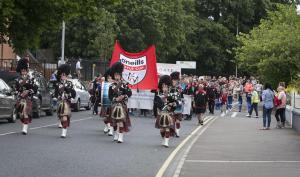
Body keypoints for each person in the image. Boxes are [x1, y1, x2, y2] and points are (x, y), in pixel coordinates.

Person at [108, 62, 132, 143]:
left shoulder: (124, 84)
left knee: (120, 120)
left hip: (122, 105)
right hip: (114, 105)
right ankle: (116, 133)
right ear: (113, 76)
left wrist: (124, 96)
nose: (117, 76)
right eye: (115, 75)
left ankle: (121, 136)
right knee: (115, 122)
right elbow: (110, 96)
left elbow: (129, 93)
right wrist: (115, 99)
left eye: (118, 75)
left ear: (120, 75)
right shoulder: (111, 86)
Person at [15, 58, 38, 135]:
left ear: (27, 71)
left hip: (28, 98)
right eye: (22, 71)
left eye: (25, 71)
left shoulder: (31, 79)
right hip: (21, 98)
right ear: (20, 71)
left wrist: (28, 91)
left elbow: (35, 88)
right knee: (21, 114)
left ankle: (25, 128)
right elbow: (16, 89)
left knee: (25, 112)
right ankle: (24, 123)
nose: (23, 72)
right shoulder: (18, 80)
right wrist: (19, 93)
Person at [54, 64, 76, 138]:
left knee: (64, 117)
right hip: (60, 102)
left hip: (66, 102)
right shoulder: (57, 84)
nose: (63, 76)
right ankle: (62, 124)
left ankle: (64, 132)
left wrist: (70, 95)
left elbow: (73, 93)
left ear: (66, 75)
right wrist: (55, 97)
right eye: (62, 75)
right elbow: (56, 93)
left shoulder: (70, 83)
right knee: (61, 117)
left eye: (64, 75)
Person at [155, 75, 176, 147]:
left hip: (169, 113)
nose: (164, 88)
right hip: (161, 113)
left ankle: (166, 142)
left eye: (166, 86)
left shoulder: (172, 93)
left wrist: (171, 105)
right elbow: (156, 103)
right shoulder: (158, 94)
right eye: (163, 86)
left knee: (167, 128)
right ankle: (164, 138)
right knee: (162, 130)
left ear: (168, 86)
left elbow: (177, 102)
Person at [169, 71, 183, 137]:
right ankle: (174, 131)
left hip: (177, 104)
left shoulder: (178, 86)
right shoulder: (170, 86)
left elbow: (180, 94)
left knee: (177, 120)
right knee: (173, 119)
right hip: (173, 104)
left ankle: (177, 132)